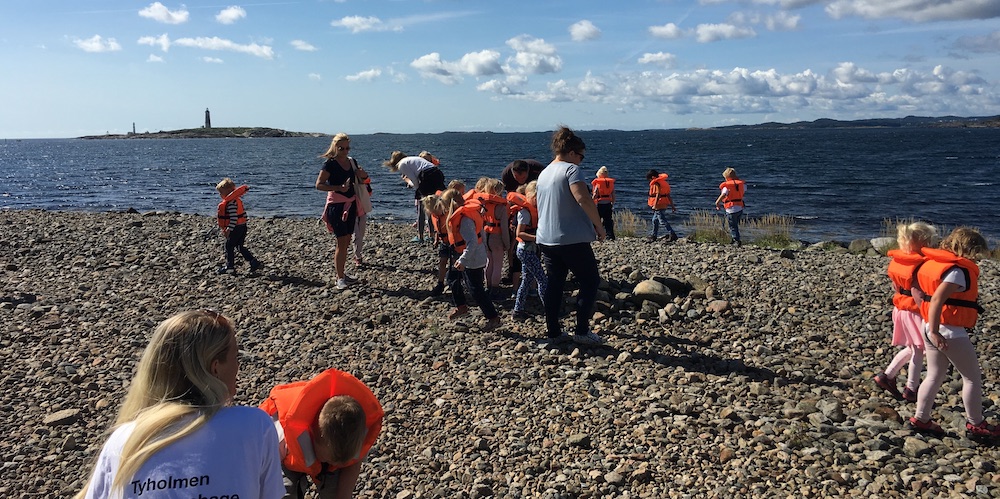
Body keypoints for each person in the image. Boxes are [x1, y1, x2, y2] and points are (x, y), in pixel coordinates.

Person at [78, 310, 284, 499]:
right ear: (215, 368)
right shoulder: (253, 426)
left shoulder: (123, 440)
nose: (238, 366)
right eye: (235, 357)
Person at [908, 227, 999, 438]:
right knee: (972, 379)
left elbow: (920, 292)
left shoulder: (934, 264)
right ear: (968, 248)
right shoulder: (958, 271)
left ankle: (921, 419)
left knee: (934, 375)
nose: (977, 257)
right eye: (976, 252)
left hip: (930, 327)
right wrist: (935, 331)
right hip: (947, 331)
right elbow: (938, 299)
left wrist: (930, 329)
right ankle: (976, 424)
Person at [260, 368, 384, 499]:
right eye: (327, 459)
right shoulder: (281, 434)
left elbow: (352, 464)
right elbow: (262, 474)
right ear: (312, 435)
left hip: (317, 461)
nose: (333, 463)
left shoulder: (355, 433)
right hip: (288, 457)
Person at [535, 126, 606, 345]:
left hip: (546, 237)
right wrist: (599, 225)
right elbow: (583, 199)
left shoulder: (544, 172)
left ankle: (553, 331)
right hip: (571, 237)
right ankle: (582, 330)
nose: (581, 162)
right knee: (590, 281)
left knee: (555, 283)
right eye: (581, 157)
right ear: (573, 153)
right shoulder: (571, 170)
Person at [874, 221, 936, 402]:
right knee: (919, 350)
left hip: (900, 308)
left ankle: (887, 376)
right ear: (924, 242)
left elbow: (896, 285)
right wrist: (929, 314)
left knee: (912, 347)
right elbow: (917, 294)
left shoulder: (898, 260)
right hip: (915, 311)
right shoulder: (920, 265)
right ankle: (911, 388)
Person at [441, 188, 501, 332]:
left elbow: (473, 242)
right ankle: (461, 307)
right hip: (468, 254)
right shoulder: (467, 214)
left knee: (476, 290)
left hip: (473, 257)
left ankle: (493, 318)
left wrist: (463, 260)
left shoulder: (465, 219)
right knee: (452, 278)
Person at [500, 159, 544, 289]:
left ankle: (535, 270)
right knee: (513, 243)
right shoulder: (507, 174)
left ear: (528, 173)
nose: (520, 180)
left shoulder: (539, 171)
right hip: (519, 207)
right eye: (517, 177)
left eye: (523, 177)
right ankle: (512, 269)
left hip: (536, 205)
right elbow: (510, 197)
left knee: (536, 246)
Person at [384, 151, 445, 243]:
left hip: (427, 177)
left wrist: (407, 180)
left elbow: (416, 184)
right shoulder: (413, 159)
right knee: (434, 205)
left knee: (422, 207)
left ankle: (420, 236)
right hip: (438, 174)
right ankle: (433, 234)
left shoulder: (402, 164)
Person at [510, 181, 547, 321]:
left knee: (526, 280)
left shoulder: (534, 211)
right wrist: (537, 238)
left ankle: (517, 311)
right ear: (530, 196)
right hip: (525, 250)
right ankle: (549, 309)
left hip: (530, 250)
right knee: (542, 280)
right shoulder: (524, 213)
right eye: (537, 197)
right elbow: (519, 233)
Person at [470, 178, 510, 295]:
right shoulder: (501, 208)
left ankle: (488, 286)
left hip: (486, 236)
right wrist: (507, 244)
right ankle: (495, 289)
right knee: (498, 264)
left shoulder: (483, 205)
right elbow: (504, 228)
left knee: (489, 262)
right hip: (497, 237)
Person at [216, 178, 263, 274]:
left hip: (236, 228)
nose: (220, 195)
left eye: (221, 193)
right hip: (242, 226)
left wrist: (229, 229)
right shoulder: (237, 200)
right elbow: (244, 214)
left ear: (228, 192)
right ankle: (253, 261)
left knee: (229, 246)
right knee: (239, 246)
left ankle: (230, 267)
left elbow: (233, 218)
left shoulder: (231, 203)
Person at [424, 192, 454, 297]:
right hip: (443, 242)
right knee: (442, 262)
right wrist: (436, 240)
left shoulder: (447, 214)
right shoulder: (435, 216)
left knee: (453, 264)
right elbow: (438, 229)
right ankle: (440, 283)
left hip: (453, 242)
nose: (434, 214)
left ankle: (454, 282)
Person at [714, 167, 745, 246]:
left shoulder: (726, 187)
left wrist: (717, 203)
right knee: (735, 225)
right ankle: (734, 238)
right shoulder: (741, 185)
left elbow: (723, 195)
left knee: (732, 226)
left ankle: (736, 240)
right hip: (740, 208)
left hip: (731, 209)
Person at [645, 169, 678, 242]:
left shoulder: (656, 183)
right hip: (664, 203)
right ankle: (654, 235)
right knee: (654, 220)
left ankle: (672, 234)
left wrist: (654, 205)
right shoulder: (663, 182)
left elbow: (658, 195)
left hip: (658, 204)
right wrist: (672, 206)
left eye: (650, 179)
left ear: (653, 177)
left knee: (662, 220)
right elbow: (668, 195)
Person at [353, 175, 373, 268]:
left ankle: (358, 255)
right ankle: (357, 256)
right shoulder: (349, 183)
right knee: (356, 235)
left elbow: (369, 192)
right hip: (352, 210)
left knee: (361, 234)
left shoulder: (365, 183)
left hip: (362, 210)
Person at [591, 166, 616, 241]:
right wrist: (612, 203)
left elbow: (595, 194)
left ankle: (594, 234)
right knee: (608, 220)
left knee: (596, 220)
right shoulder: (610, 183)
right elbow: (613, 194)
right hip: (608, 203)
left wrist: (591, 202)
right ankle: (610, 235)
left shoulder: (598, 183)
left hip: (600, 204)